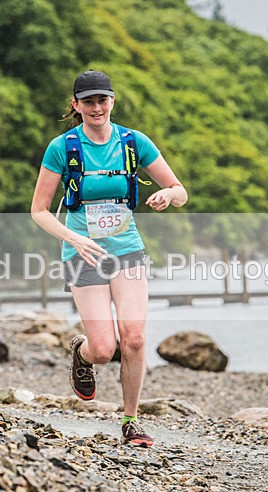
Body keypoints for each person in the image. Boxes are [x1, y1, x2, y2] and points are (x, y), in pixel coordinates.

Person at [31, 70, 187, 448]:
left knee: (133, 338)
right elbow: (39, 210)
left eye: (102, 100)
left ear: (112, 101)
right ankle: (81, 353)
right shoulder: (62, 148)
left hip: (127, 249)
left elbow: (180, 190)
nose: (96, 107)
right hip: (81, 252)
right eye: (88, 101)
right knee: (103, 350)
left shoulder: (133, 142)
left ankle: (131, 419)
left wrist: (169, 196)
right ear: (76, 105)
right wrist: (75, 238)